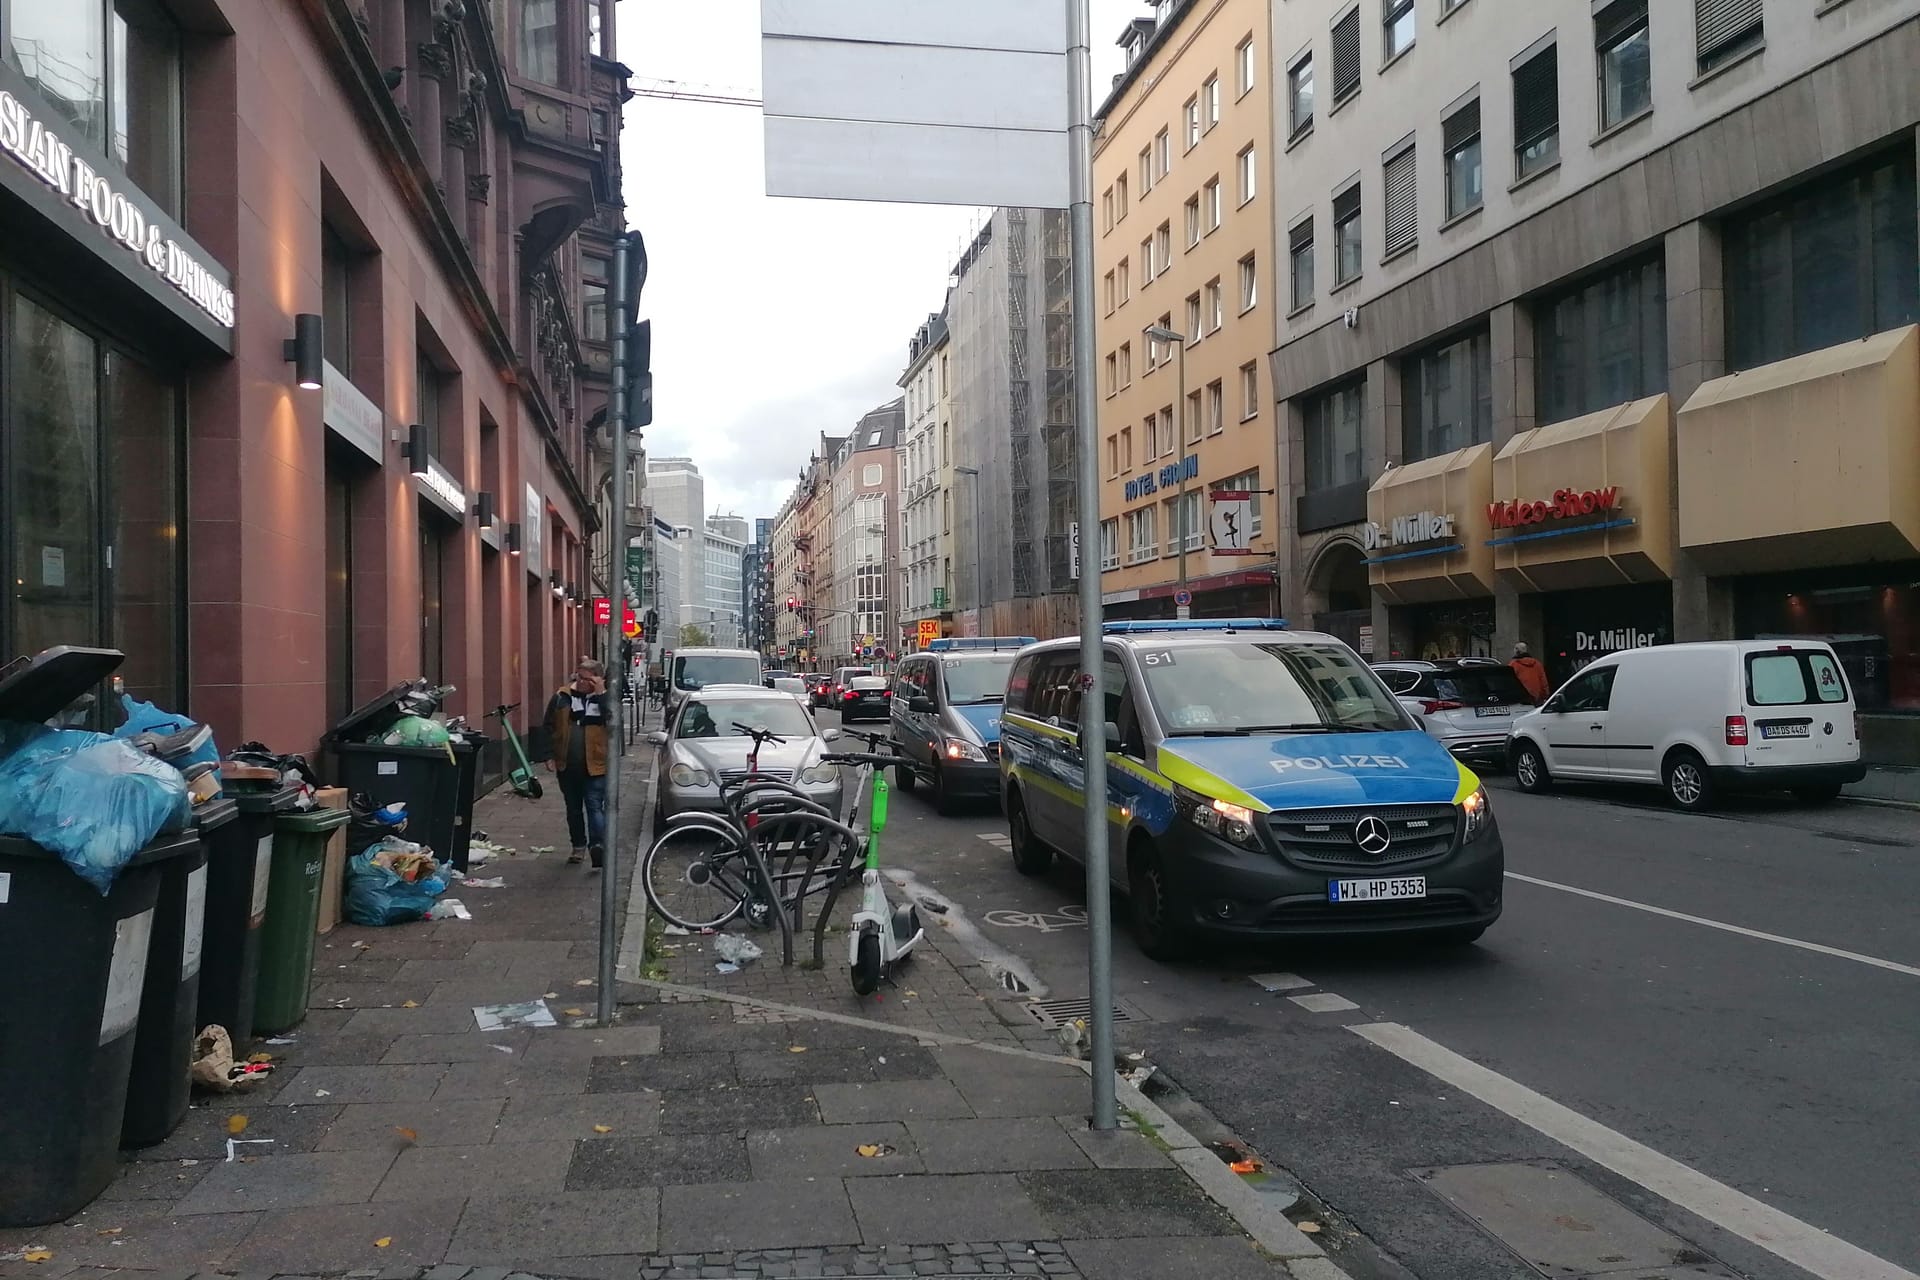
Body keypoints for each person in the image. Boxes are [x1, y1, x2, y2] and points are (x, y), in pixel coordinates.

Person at [544, 658, 610, 867]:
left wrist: (600, 693)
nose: (581, 682)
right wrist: (548, 755)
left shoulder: (604, 699)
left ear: (598, 680)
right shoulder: (562, 697)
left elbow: (614, 718)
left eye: (587, 679)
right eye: (578, 677)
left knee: (594, 806)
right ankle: (578, 847)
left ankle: (597, 846)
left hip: (596, 765)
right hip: (567, 765)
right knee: (573, 808)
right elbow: (548, 726)